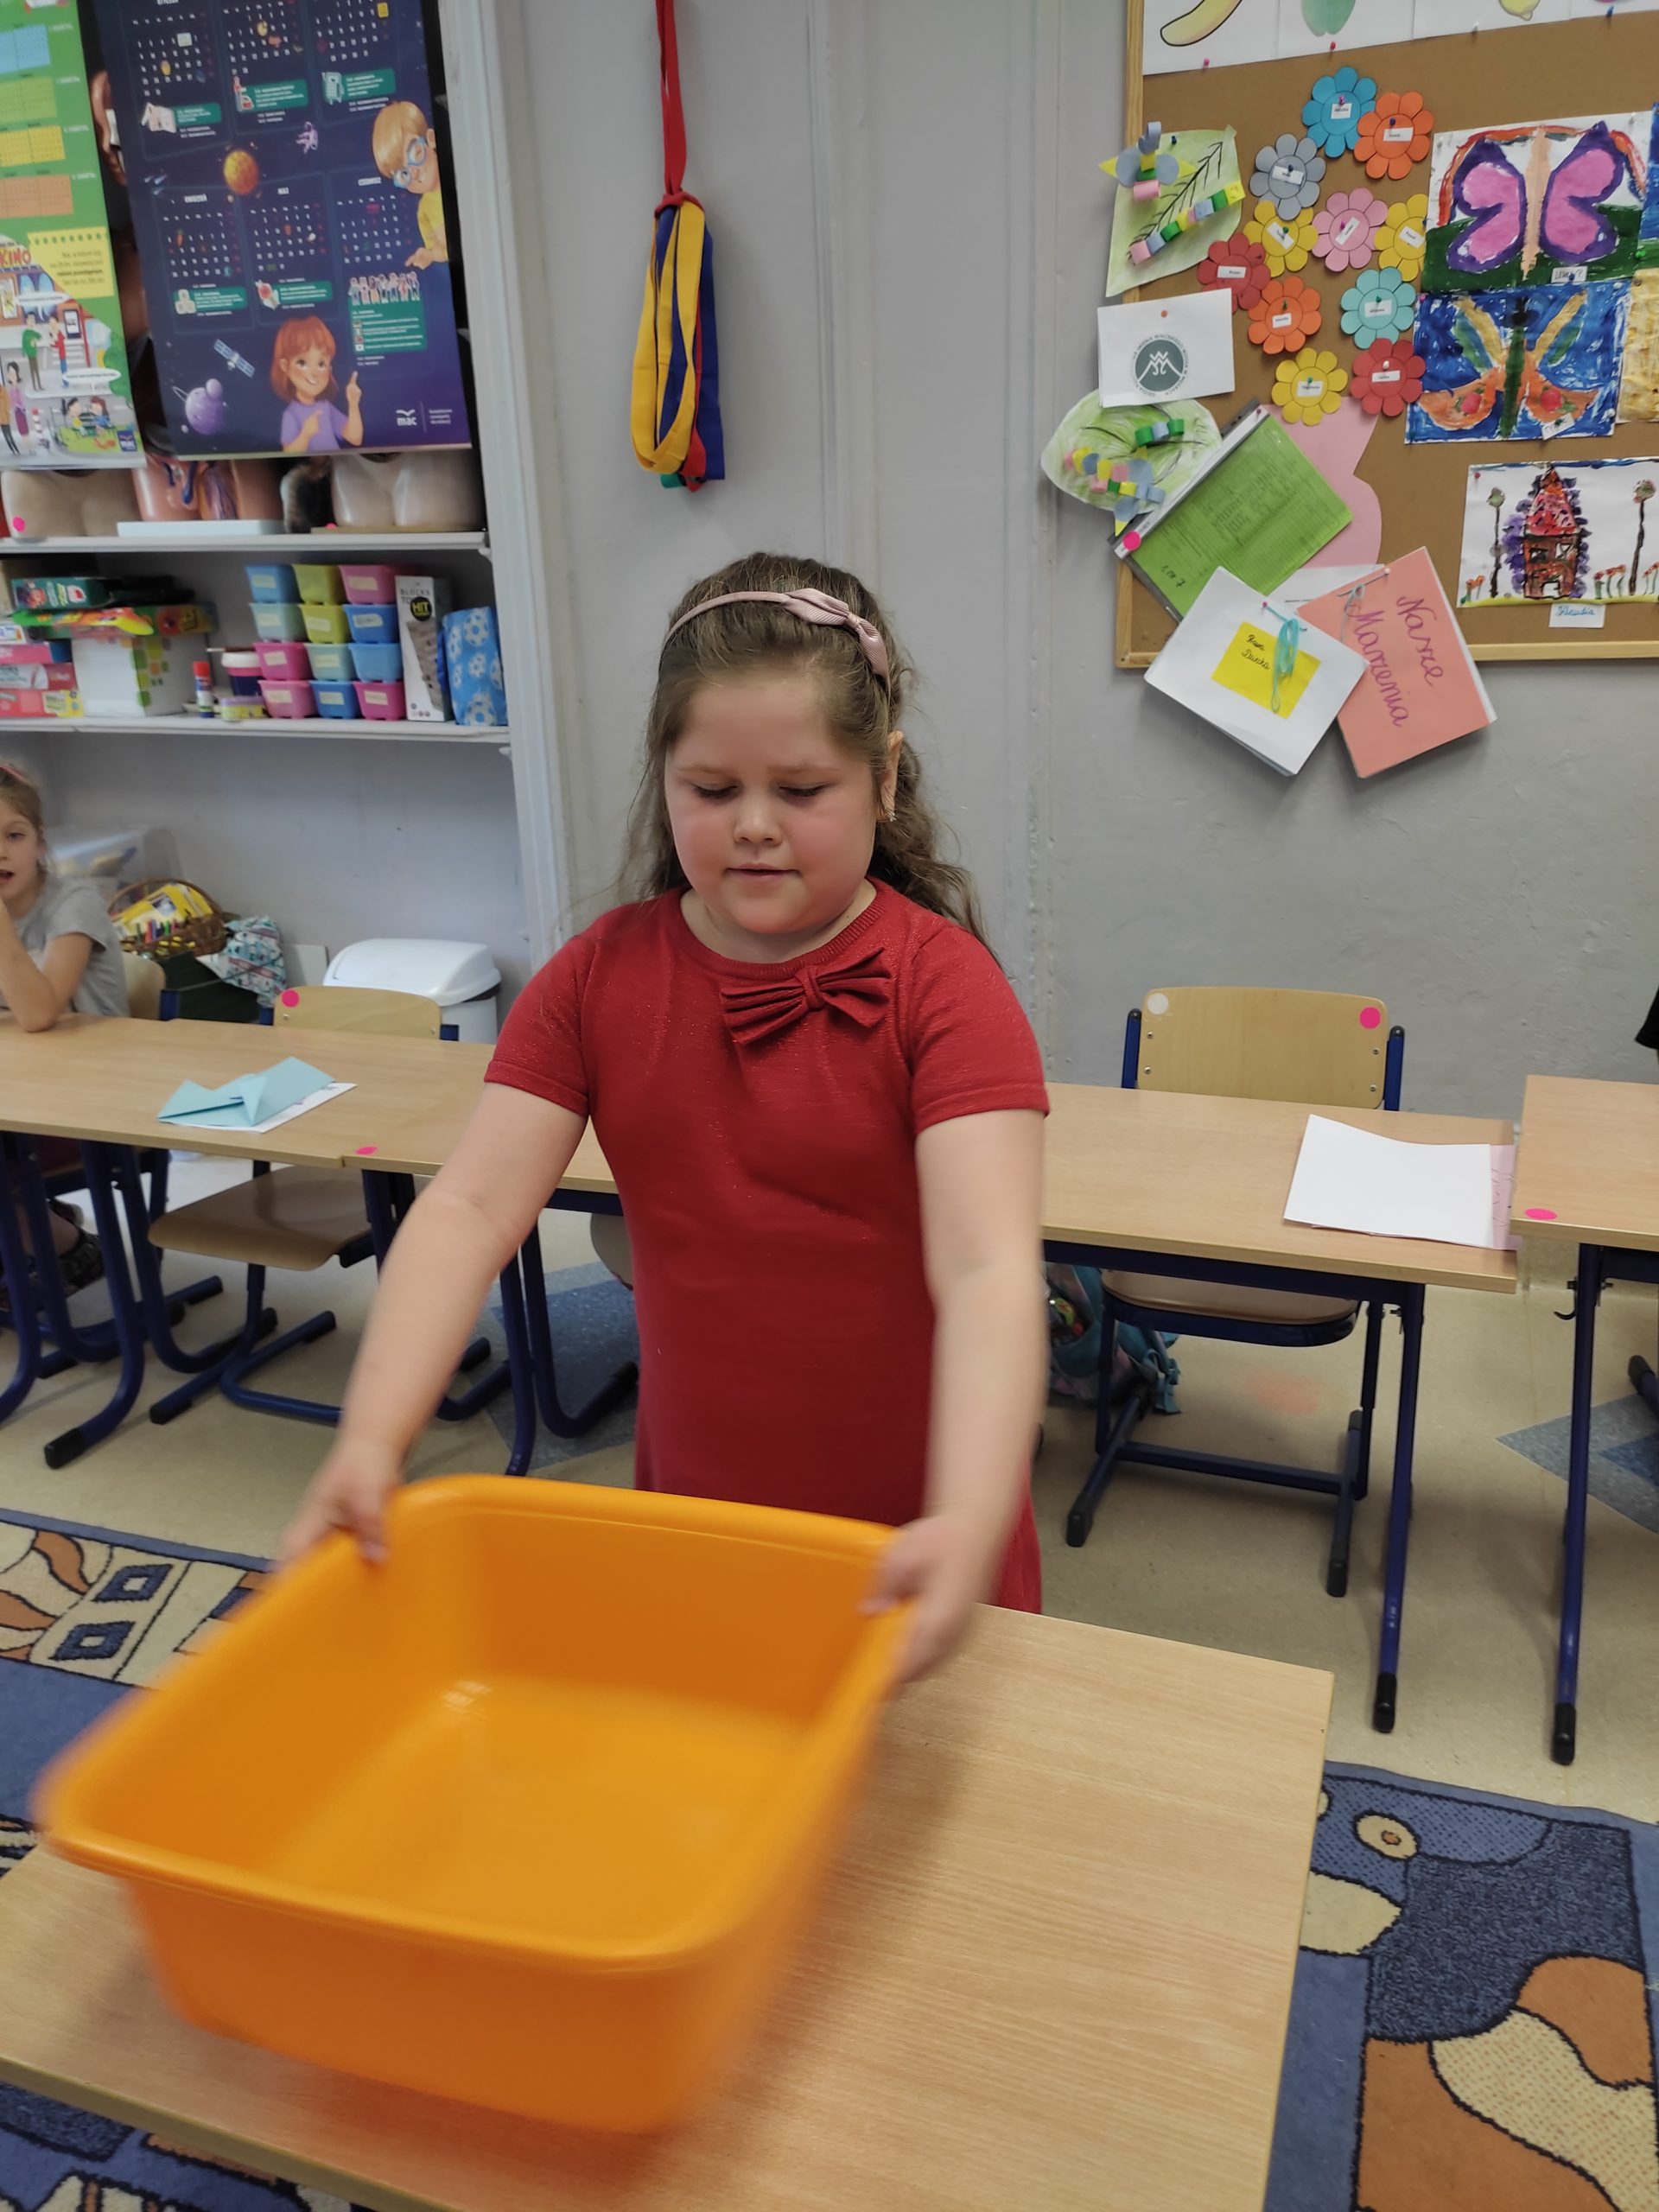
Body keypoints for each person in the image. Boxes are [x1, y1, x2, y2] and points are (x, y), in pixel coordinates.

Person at [281, 555, 1049, 1681]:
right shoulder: (597, 979)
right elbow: (470, 1209)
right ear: (665, 779)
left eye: (802, 790)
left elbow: (988, 1268)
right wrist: (370, 1437)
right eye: (712, 789)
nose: (755, 826)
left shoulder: (944, 987)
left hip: (917, 1523)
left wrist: (971, 1513)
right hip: (701, 1510)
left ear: (885, 777)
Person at [0, 762, 123, 1299]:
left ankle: (70, 1248)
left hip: (92, 1100)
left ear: (39, 840)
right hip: (19, 1094)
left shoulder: (73, 903)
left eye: (14, 835)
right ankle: (36, 1224)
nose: (1, 852)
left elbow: (38, 1014)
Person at [370, 99, 448, 268]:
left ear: (431, 139)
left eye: (416, 153)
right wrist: (430, 255)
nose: (414, 172)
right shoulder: (424, 211)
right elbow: (442, 252)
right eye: (403, 174)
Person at [270, 315, 363, 454]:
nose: (314, 373)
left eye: (321, 364)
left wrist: (353, 404)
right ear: (285, 366)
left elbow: (355, 438)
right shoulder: (291, 414)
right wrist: (306, 434)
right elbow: (288, 452)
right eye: (302, 363)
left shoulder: (325, 407)